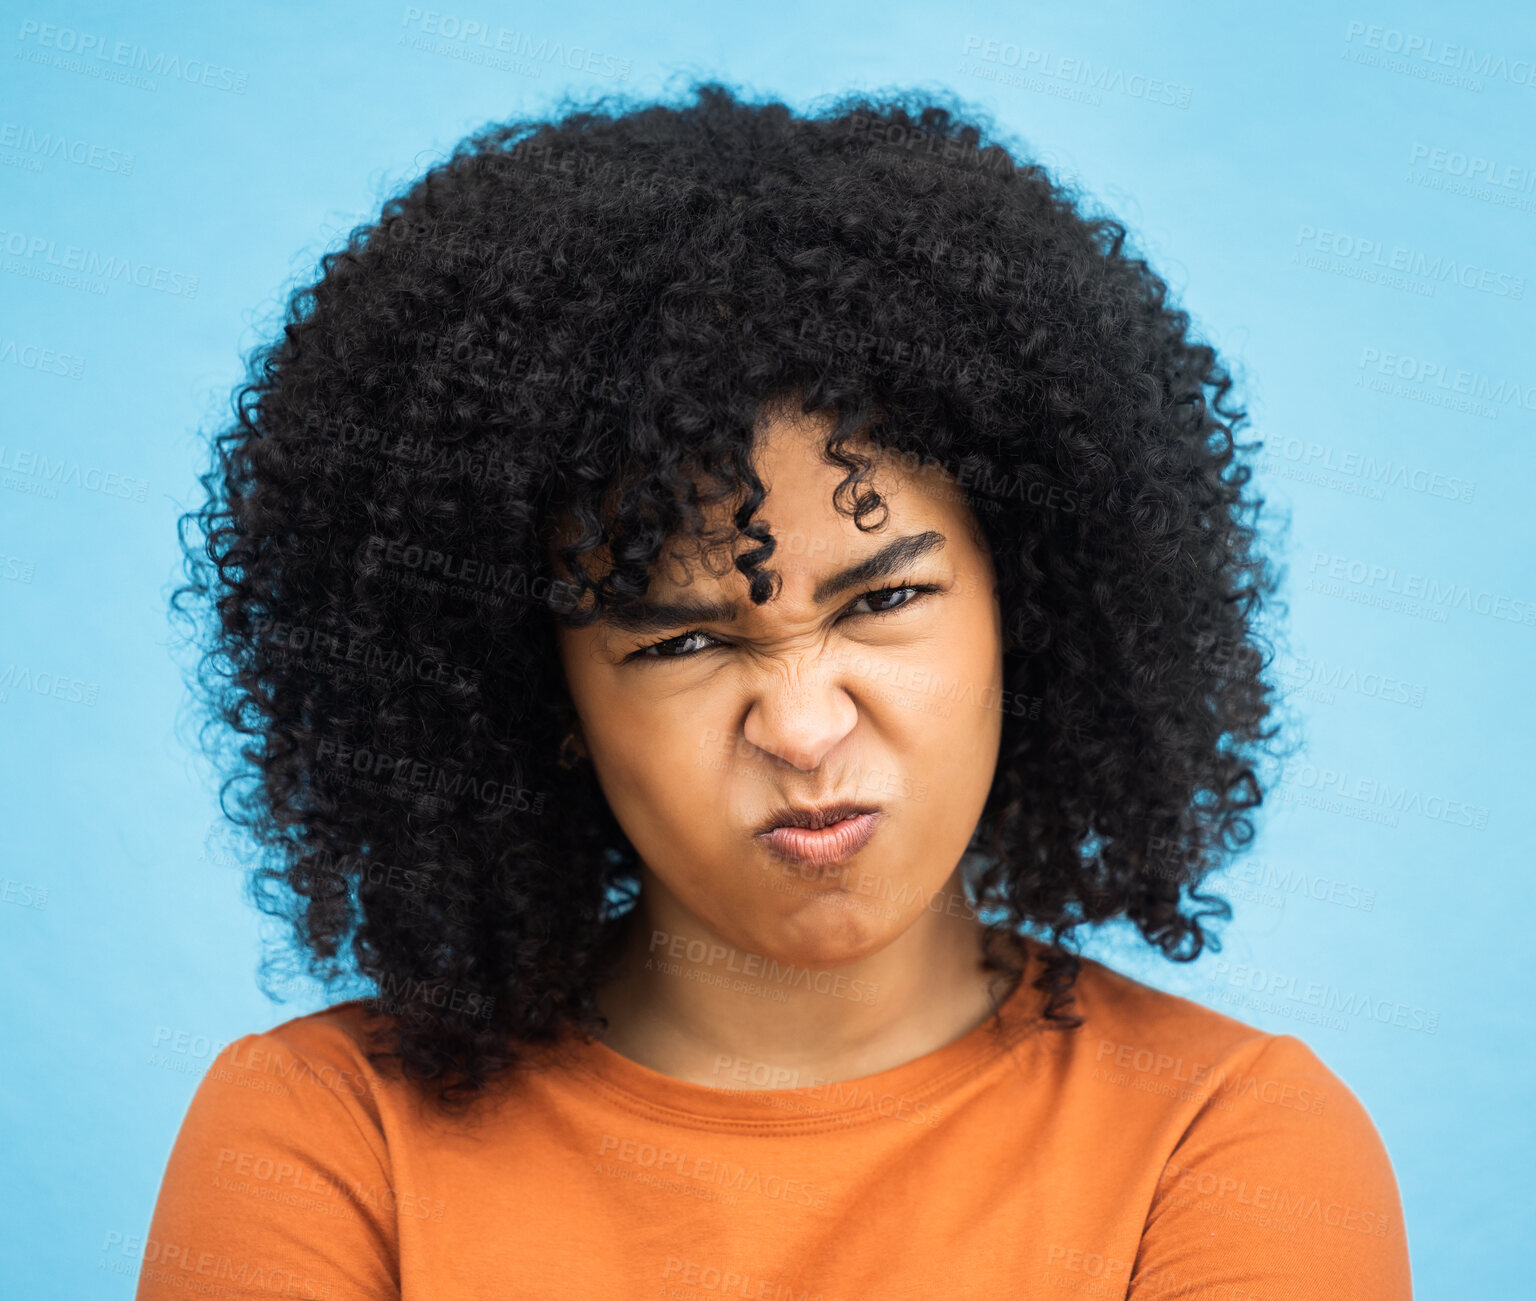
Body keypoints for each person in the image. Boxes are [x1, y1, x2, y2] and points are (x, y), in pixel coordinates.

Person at [143, 82, 1411, 1298]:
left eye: (885, 599)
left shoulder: (1226, 1143)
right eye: (684, 642)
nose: (804, 729)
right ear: (541, 697)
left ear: (1033, 608)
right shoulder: (323, 1136)